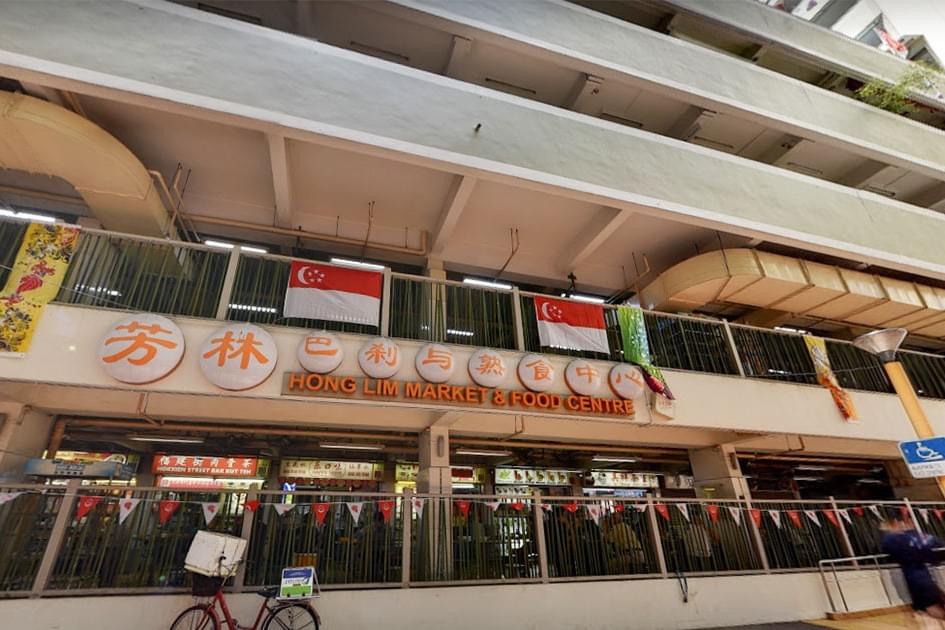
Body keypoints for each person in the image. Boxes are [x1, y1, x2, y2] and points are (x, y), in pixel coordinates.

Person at [881, 515, 945, 621]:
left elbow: (888, 547)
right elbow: (936, 544)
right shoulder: (916, 537)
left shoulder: (893, 539)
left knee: (930, 606)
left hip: (914, 577)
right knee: (934, 601)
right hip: (923, 573)